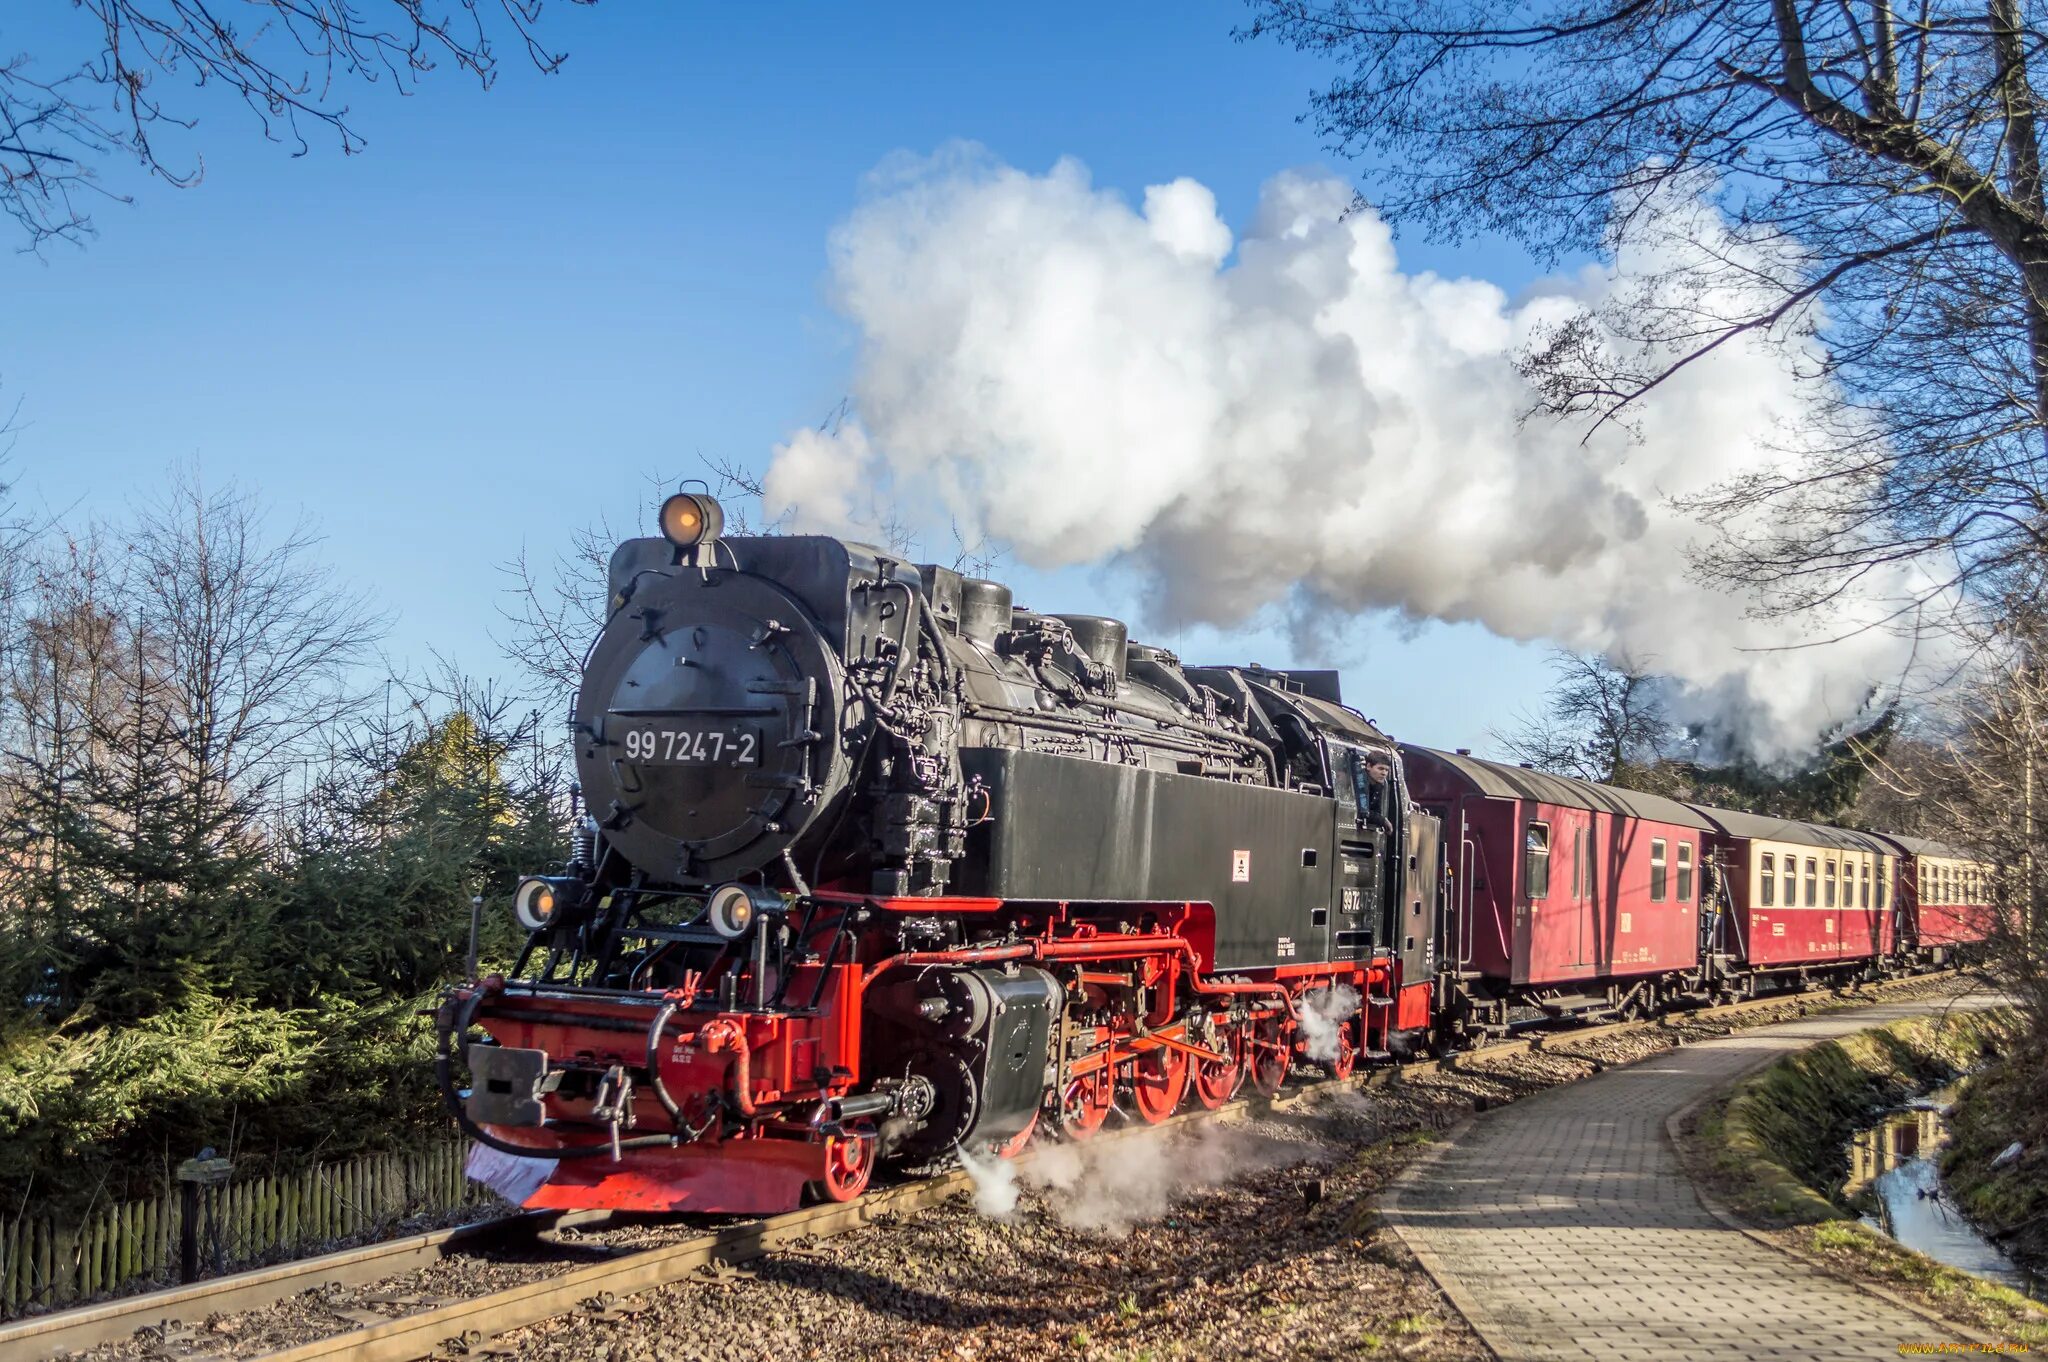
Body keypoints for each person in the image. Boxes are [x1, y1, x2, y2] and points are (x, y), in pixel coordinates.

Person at [1361, 753, 1395, 835]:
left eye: (1386, 770)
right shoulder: (1360, 782)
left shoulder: (1378, 786)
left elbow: (1376, 810)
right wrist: (1383, 820)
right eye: (1380, 768)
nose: (1384, 773)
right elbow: (1362, 810)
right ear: (1369, 766)